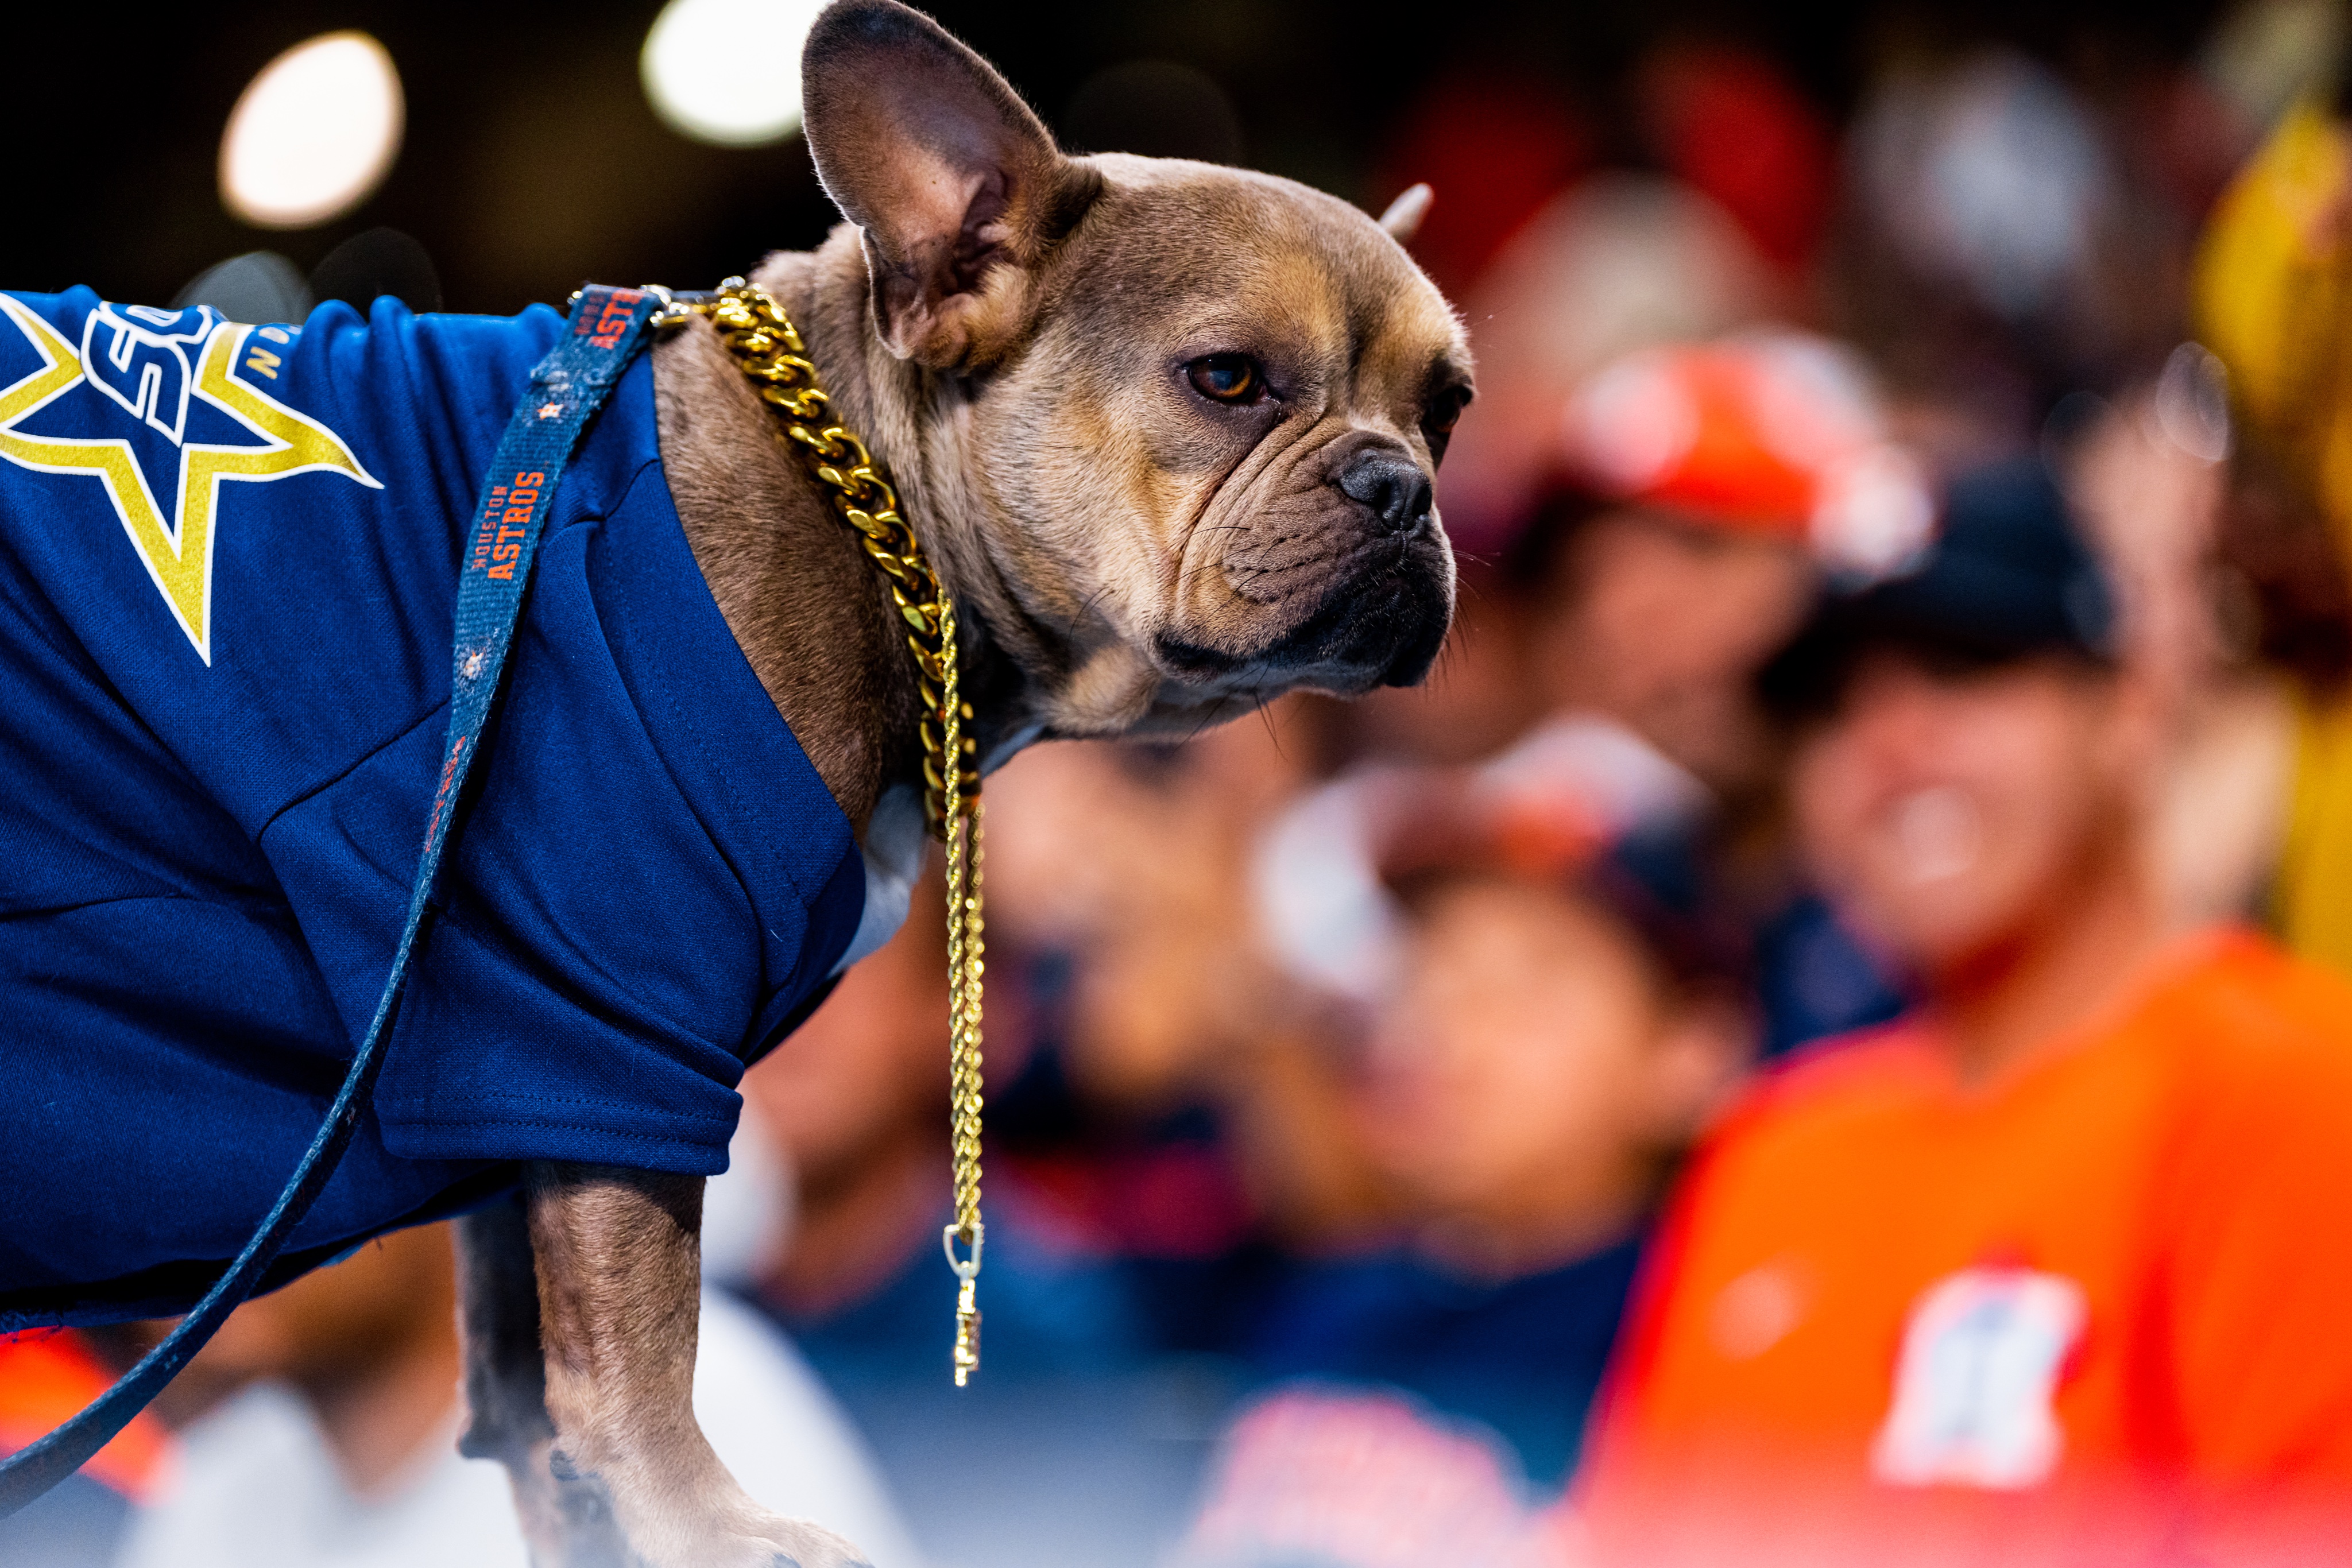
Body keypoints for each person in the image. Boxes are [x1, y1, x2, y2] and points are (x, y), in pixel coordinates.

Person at [1567, 459, 2352, 1565]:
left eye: (1965, 671)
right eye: (1833, 707)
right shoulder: (1772, 1148)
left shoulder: (2289, 1088)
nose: (1888, 751)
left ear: (2126, 711)